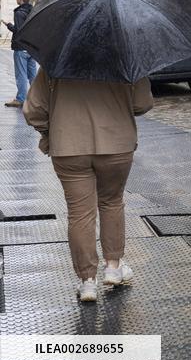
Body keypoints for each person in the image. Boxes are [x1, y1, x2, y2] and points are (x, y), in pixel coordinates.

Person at [23, 67, 153, 302]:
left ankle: (87, 282)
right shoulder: (126, 58)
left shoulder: (56, 60)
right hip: (116, 142)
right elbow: (142, 103)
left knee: (80, 213)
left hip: (68, 144)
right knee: (112, 202)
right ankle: (113, 266)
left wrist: (48, 131)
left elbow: (33, 110)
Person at [3, 0, 37, 107]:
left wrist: (9, 25)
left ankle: (21, 99)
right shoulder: (33, 11)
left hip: (21, 47)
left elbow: (19, 31)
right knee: (32, 74)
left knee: (21, 74)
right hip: (31, 47)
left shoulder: (19, 13)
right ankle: (36, 98)